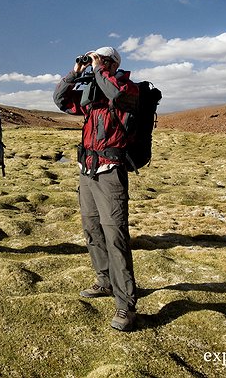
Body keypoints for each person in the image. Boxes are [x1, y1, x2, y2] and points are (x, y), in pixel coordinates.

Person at [53, 46, 140, 332]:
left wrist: (100, 68)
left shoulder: (127, 88)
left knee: (115, 235)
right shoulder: (91, 97)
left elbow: (116, 94)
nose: (94, 64)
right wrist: (75, 73)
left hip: (111, 173)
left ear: (113, 63)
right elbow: (59, 99)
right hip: (86, 172)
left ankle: (126, 304)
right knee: (92, 229)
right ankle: (104, 281)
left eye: (100, 60)